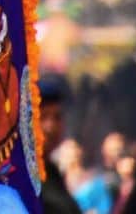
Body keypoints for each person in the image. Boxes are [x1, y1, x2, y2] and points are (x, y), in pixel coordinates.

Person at [42, 73, 87, 214]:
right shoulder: (22, 178)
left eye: (57, 117)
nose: (51, 126)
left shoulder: (52, 172)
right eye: (42, 117)